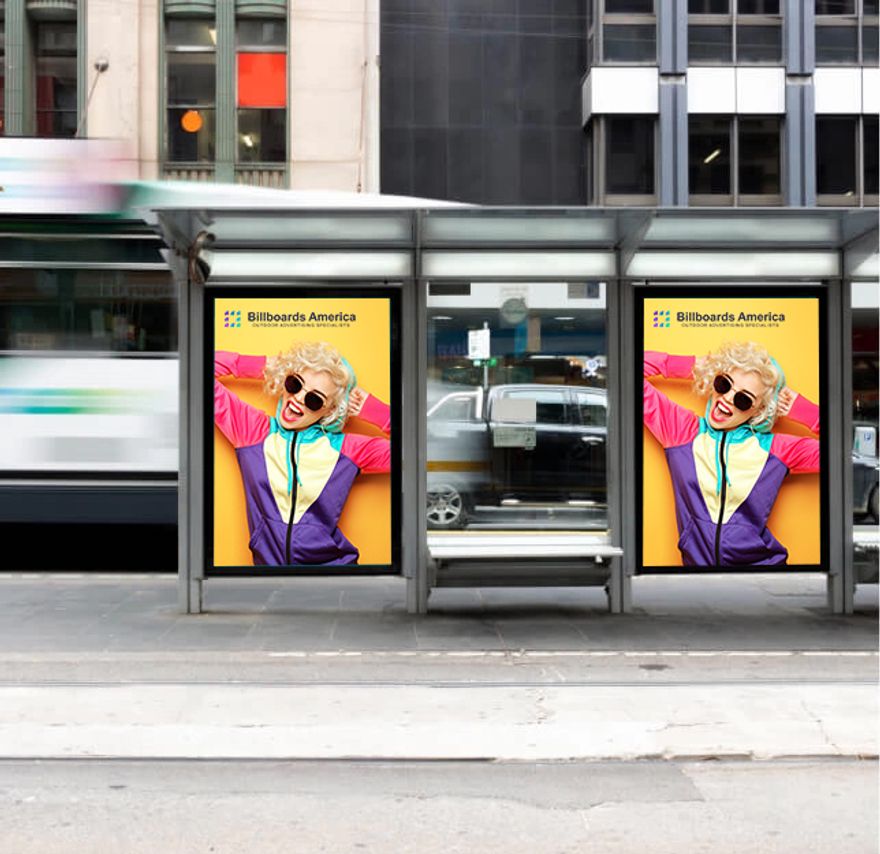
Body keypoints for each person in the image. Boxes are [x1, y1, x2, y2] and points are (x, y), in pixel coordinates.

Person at [214, 342, 390, 566]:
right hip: (270, 575)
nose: (297, 398)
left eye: (314, 399)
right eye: (294, 384)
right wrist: (268, 367)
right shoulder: (253, 431)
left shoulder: (347, 450)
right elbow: (197, 372)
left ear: (331, 410)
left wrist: (377, 412)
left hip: (335, 575)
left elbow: (417, 451)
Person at [643, 342, 819, 567]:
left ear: (759, 410)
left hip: (765, 576)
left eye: (743, 399)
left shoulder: (777, 449)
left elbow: (846, 453)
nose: (727, 398)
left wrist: (806, 413)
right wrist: (698, 366)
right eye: (723, 384)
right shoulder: (682, 432)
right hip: (699, 577)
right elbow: (626, 372)